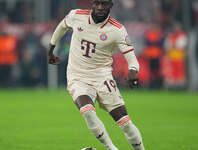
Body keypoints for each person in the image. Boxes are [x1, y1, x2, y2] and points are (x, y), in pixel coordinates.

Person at [48, 0, 145, 150]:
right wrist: (51, 48)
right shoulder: (76, 16)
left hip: (102, 77)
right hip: (77, 76)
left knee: (125, 122)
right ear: (92, 4)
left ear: (111, 6)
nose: (100, 7)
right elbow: (62, 26)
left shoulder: (117, 30)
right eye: (97, 3)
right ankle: (111, 148)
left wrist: (133, 71)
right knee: (87, 112)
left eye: (104, 4)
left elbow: (132, 58)